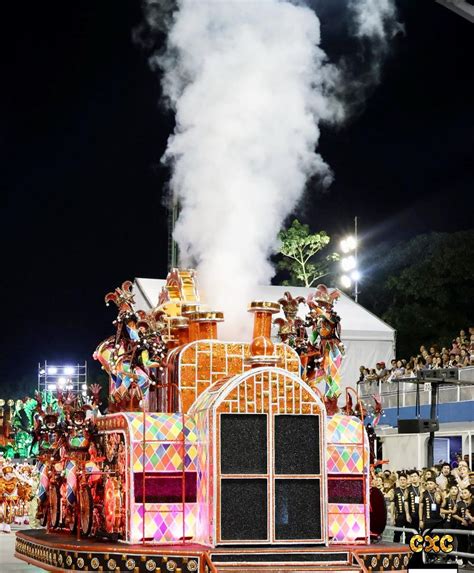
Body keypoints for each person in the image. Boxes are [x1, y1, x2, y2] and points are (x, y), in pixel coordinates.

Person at [392, 472, 409, 542]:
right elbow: (392, 505)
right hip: (399, 515)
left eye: (404, 479)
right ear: (398, 481)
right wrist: (392, 517)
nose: (402, 481)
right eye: (401, 479)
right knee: (397, 534)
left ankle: (408, 550)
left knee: (409, 534)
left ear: (407, 480)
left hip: (409, 515)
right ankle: (394, 550)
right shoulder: (395, 491)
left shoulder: (409, 490)